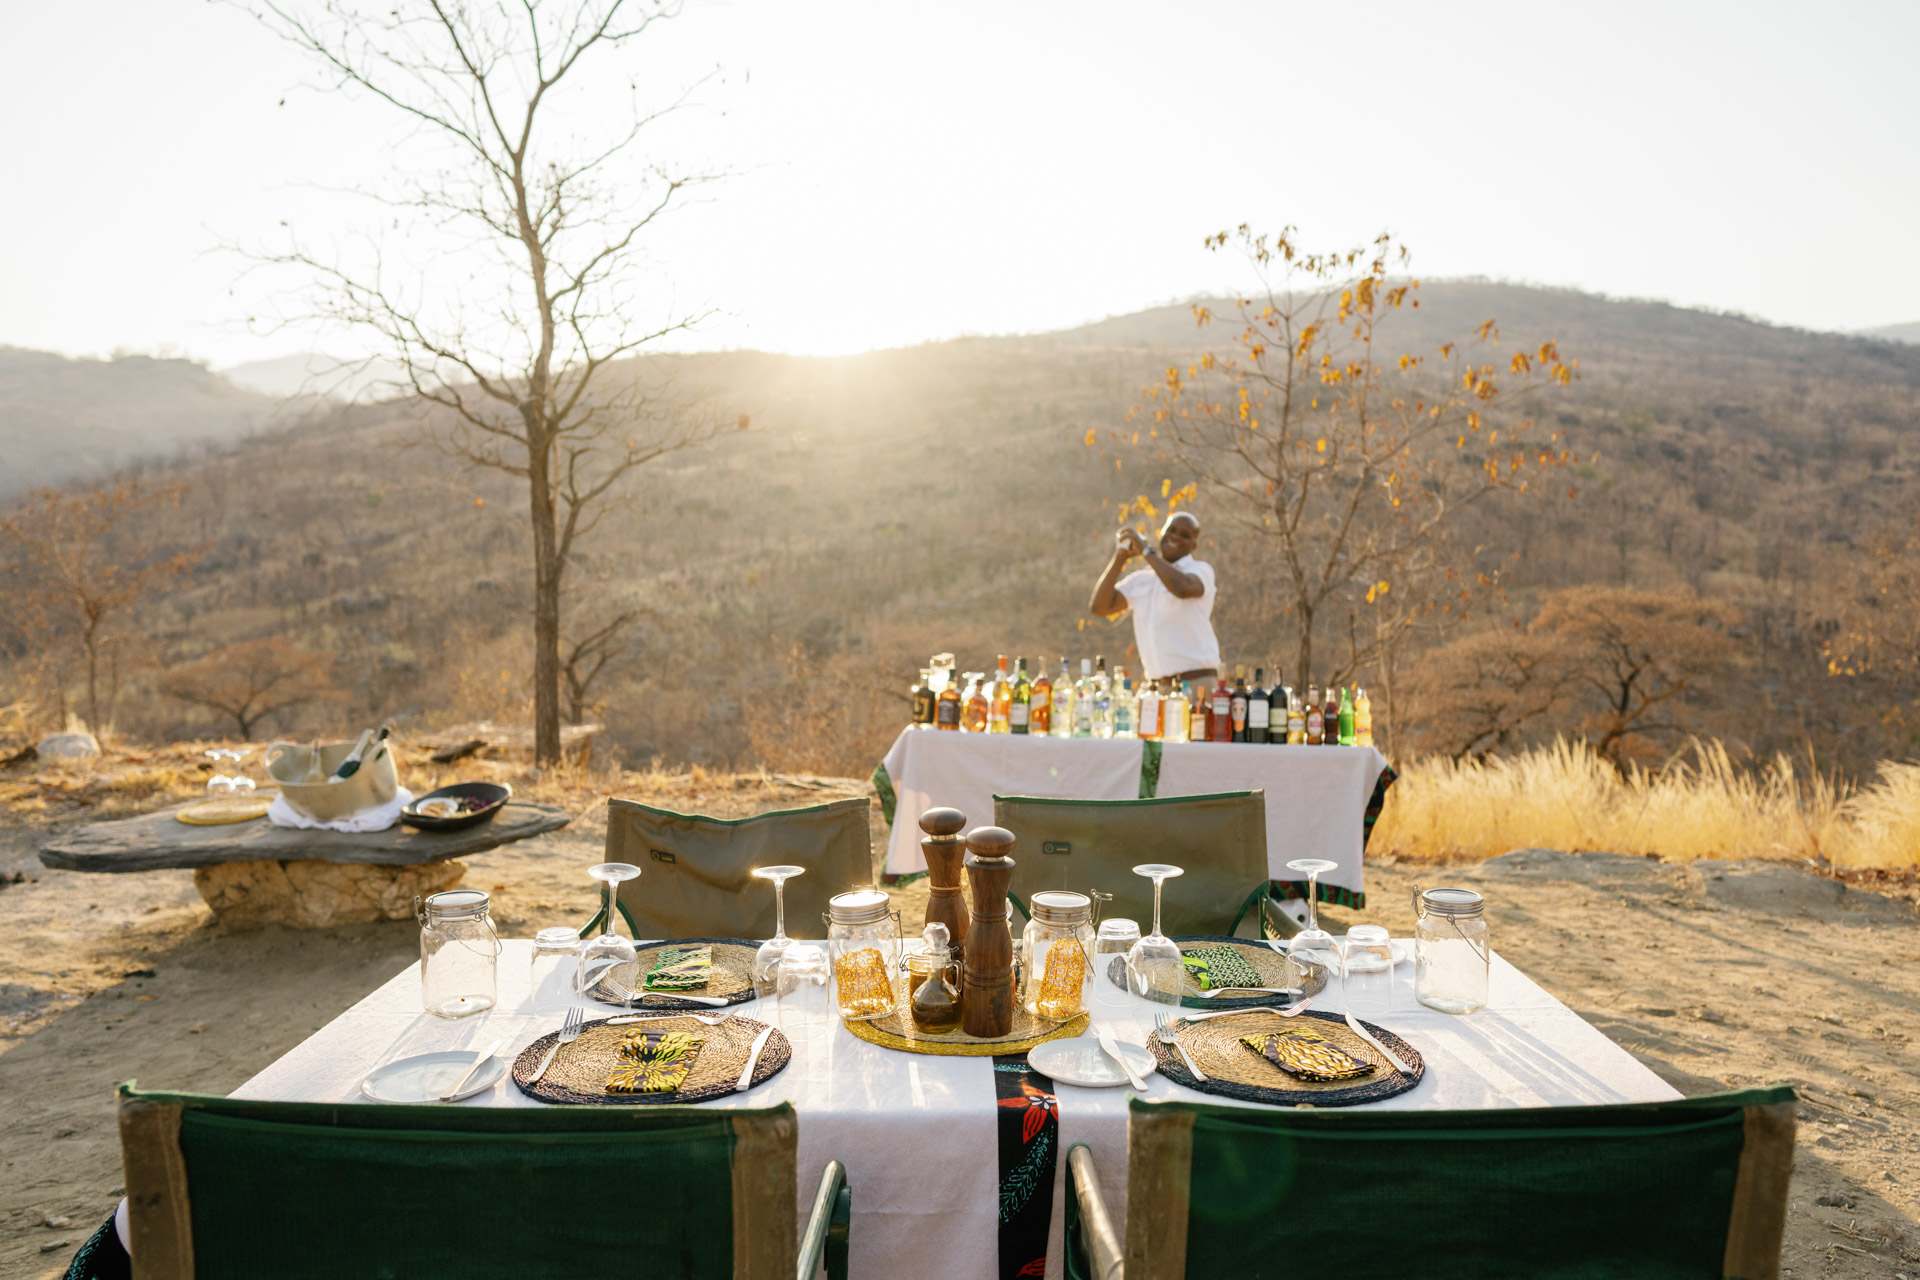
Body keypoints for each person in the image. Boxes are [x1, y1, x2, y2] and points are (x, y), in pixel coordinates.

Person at [1088, 511, 1220, 684]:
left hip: (1196, 682)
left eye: (1185, 535)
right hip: (1157, 687)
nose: (1175, 537)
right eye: (1171, 530)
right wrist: (1120, 557)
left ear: (1194, 546)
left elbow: (1182, 588)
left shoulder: (1200, 571)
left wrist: (1146, 552)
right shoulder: (1141, 579)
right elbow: (1099, 607)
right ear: (1162, 533)